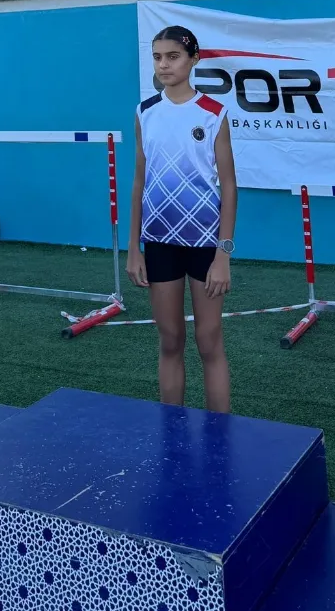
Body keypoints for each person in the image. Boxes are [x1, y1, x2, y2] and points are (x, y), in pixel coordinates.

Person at [126, 27, 236, 413]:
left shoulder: (214, 114)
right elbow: (139, 181)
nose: (164, 65)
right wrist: (134, 249)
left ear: (194, 59)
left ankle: (220, 433)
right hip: (159, 243)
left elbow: (229, 187)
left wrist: (223, 254)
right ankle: (172, 430)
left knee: (209, 341)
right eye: (157, 57)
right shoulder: (145, 112)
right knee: (170, 340)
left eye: (172, 56)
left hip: (206, 245)